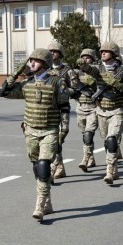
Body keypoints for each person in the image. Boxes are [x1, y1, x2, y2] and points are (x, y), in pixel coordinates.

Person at [0, 48, 70, 220]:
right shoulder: (27, 84)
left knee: (45, 165)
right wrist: (16, 71)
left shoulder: (56, 83)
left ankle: (40, 203)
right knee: (37, 167)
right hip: (30, 130)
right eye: (30, 61)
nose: (31, 63)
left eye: (35, 61)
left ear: (44, 63)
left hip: (50, 130)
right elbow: (3, 91)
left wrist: (64, 128)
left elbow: (64, 106)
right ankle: (48, 201)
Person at [81, 41, 123, 185]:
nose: (102, 53)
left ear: (114, 54)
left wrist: (117, 84)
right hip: (101, 110)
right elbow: (89, 70)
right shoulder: (98, 70)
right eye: (101, 51)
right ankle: (113, 166)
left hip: (116, 110)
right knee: (106, 141)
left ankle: (109, 169)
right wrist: (82, 64)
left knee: (111, 139)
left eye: (106, 51)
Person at [48, 42, 74, 180]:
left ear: (60, 53)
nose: (52, 53)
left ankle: (59, 165)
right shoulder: (45, 70)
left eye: (55, 51)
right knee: (54, 139)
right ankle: (57, 166)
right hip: (50, 109)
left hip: (63, 107)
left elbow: (75, 89)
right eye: (50, 51)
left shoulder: (68, 71)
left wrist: (65, 91)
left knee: (62, 134)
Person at [71, 48, 99, 171]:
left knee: (88, 134)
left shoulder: (96, 71)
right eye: (83, 57)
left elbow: (93, 75)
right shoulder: (76, 73)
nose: (85, 60)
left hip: (93, 108)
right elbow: (72, 87)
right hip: (80, 107)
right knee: (85, 136)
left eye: (87, 58)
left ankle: (85, 158)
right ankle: (91, 157)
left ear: (92, 59)